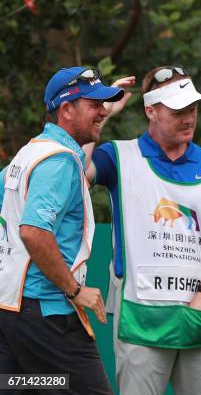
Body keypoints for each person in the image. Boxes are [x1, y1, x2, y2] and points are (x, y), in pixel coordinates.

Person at [86, 66, 201, 395]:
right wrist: (102, 115)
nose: (188, 118)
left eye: (193, 108)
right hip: (140, 319)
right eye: (178, 110)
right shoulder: (118, 155)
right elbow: (77, 172)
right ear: (151, 110)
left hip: (198, 312)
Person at [0, 66, 127, 394]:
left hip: (12, 311)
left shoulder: (28, 153)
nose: (102, 112)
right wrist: (74, 290)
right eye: (94, 105)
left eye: (104, 105)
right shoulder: (58, 161)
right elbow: (32, 231)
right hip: (48, 314)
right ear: (66, 110)